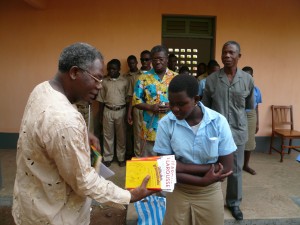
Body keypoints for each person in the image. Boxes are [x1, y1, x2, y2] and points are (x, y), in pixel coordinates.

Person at [12, 43, 155, 225]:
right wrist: (129, 195)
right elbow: (84, 182)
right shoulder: (65, 121)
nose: (99, 86)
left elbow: (49, 129)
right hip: (56, 217)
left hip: (31, 207)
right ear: (74, 73)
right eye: (96, 78)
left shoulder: (42, 89)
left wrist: (82, 134)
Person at [153, 74, 236, 225]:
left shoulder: (218, 122)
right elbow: (165, 171)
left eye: (181, 104)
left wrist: (180, 166)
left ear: (196, 99)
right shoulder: (166, 124)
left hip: (210, 192)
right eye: (171, 103)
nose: (175, 109)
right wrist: (203, 178)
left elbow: (226, 167)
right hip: (178, 190)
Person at [202, 41, 254, 221]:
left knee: (236, 170)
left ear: (239, 56)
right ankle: (211, 201)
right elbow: (205, 108)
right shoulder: (212, 80)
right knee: (213, 167)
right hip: (216, 133)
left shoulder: (247, 79)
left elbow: (249, 106)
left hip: (238, 132)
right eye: (224, 52)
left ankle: (234, 203)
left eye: (231, 53)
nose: (227, 56)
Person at [132, 45, 177, 157]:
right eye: (155, 59)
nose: (158, 62)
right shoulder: (143, 78)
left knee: (167, 164)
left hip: (171, 129)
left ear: (166, 59)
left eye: (161, 59)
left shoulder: (176, 77)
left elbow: (184, 100)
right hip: (149, 129)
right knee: (149, 164)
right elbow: (136, 101)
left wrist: (171, 106)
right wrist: (150, 107)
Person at [96, 59, 129, 167]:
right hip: (108, 111)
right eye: (109, 69)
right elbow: (101, 100)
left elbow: (128, 99)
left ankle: (121, 157)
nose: (111, 71)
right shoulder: (104, 82)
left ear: (119, 69)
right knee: (107, 136)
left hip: (121, 111)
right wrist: (100, 115)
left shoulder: (125, 81)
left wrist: (128, 114)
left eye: (114, 69)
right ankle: (108, 157)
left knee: (121, 136)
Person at [242, 66, 262, 175]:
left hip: (251, 116)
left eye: (249, 75)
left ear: (252, 76)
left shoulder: (256, 90)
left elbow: (257, 107)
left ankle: (246, 165)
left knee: (249, 142)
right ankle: (233, 166)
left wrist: (257, 123)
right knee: (235, 141)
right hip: (238, 115)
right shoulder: (237, 88)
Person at [125, 55, 143, 158]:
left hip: (149, 109)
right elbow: (132, 96)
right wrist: (129, 112)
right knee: (136, 134)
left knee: (148, 134)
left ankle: (146, 156)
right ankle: (138, 157)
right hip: (136, 107)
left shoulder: (151, 75)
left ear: (137, 62)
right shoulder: (133, 77)